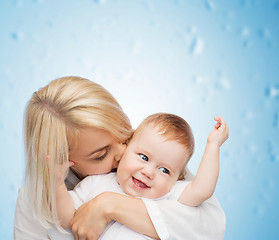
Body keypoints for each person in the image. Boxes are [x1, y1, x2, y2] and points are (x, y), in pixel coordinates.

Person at [14, 76, 226, 240]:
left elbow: (210, 226)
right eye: (101, 155)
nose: (123, 153)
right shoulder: (37, 197)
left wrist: (109, 205)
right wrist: (57, 185)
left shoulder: (153, 155)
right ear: (63, 160)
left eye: (124, 135)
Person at [55, 113, 228, 239]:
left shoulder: (170, 194)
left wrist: (213, 146)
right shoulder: (95, 183)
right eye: (143, 157)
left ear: (178, 177)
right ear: (126, 146)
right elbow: (67, 218)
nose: (148, 172)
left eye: (164, 170)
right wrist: (57, 184)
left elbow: (202, 189)